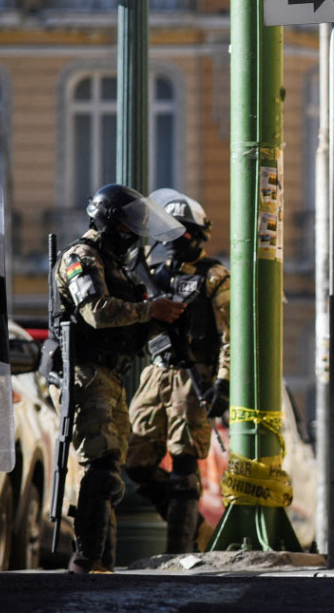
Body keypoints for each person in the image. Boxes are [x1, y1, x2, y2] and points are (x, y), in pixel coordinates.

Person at [51, 184, 188, 574]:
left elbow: (127, 325)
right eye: (129, 227)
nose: (132, 236)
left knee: (111, 467)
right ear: (111, 223)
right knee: (102, 462)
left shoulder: (115, 265)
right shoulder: (81, 257)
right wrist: (150, 311)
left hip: (108, 373)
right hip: (85, 369)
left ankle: (100, 561)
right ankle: (87, 559)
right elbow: (95, 312)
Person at [124, 189, 231, 555]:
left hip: (193, 375)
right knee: (135, 460)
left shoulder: (214, 276)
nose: (172, 240)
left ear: (197, 234)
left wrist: (223, 382)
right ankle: (194, 529)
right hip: (156, 373)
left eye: (180, 232)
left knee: (185, 462)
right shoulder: (152, 274)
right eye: (166, 232)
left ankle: (179, 549)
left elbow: (232, 331)